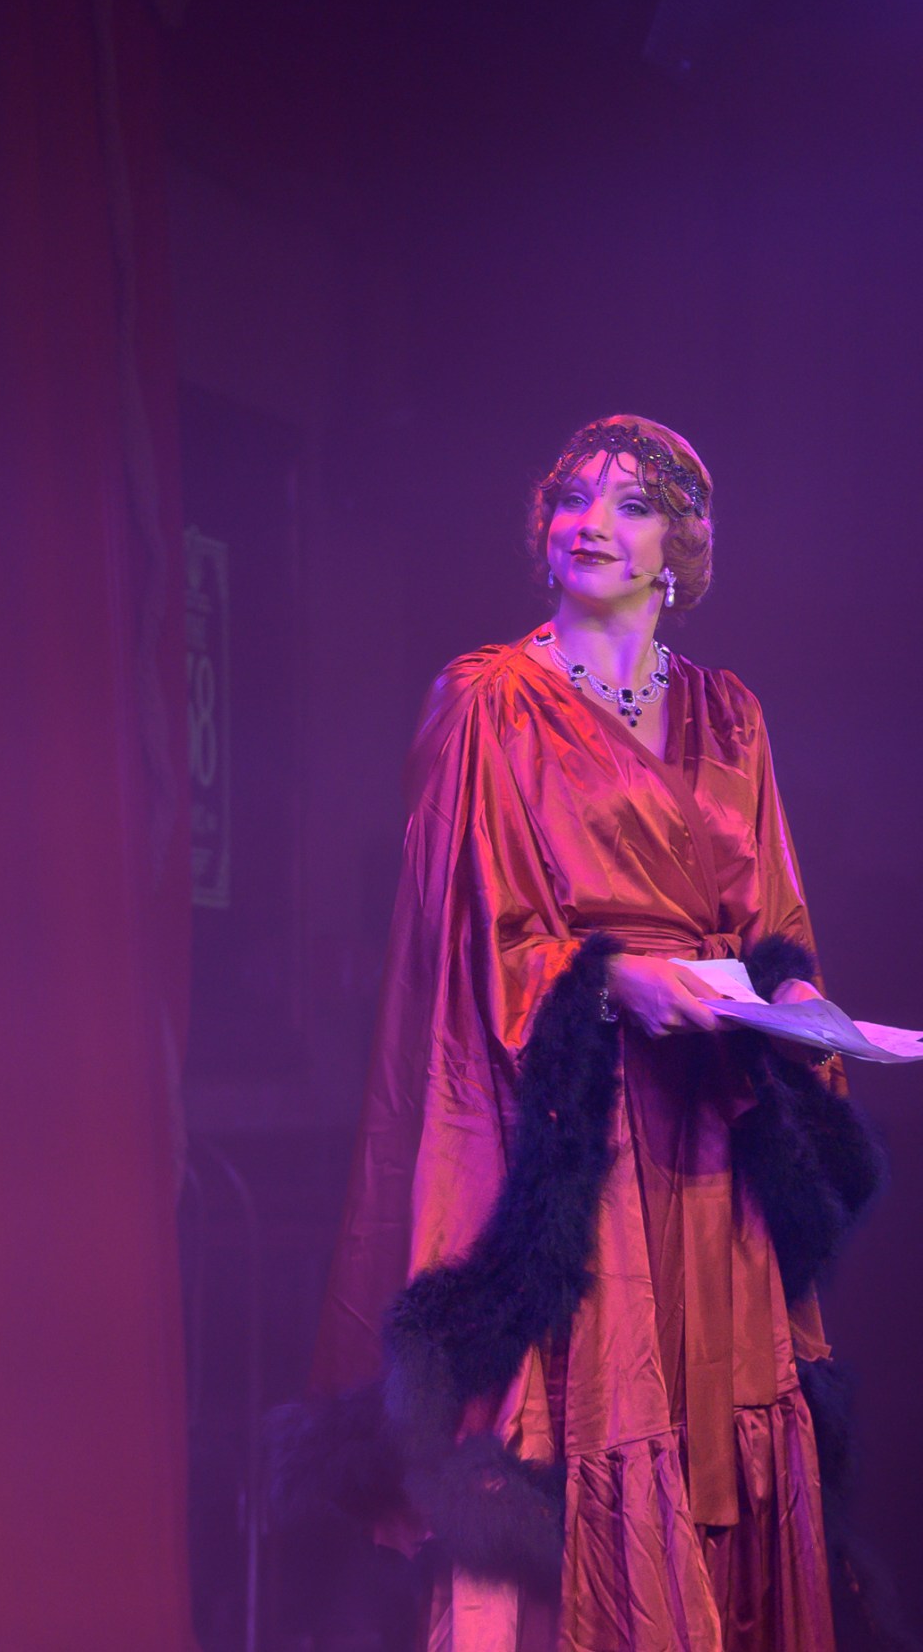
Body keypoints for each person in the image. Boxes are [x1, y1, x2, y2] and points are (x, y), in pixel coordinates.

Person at [311, 416, 877, 1650]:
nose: (591, 523)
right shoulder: (488, 702)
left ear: (682, 545)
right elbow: (466, 927)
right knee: (594, 1406)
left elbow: (773, 915)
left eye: (630, 503)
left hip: (711, 1137)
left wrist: (790, 1000)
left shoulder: (730, 715)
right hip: (573, 1132)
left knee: (722, 1418)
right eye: (573, 497)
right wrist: (615, 981)